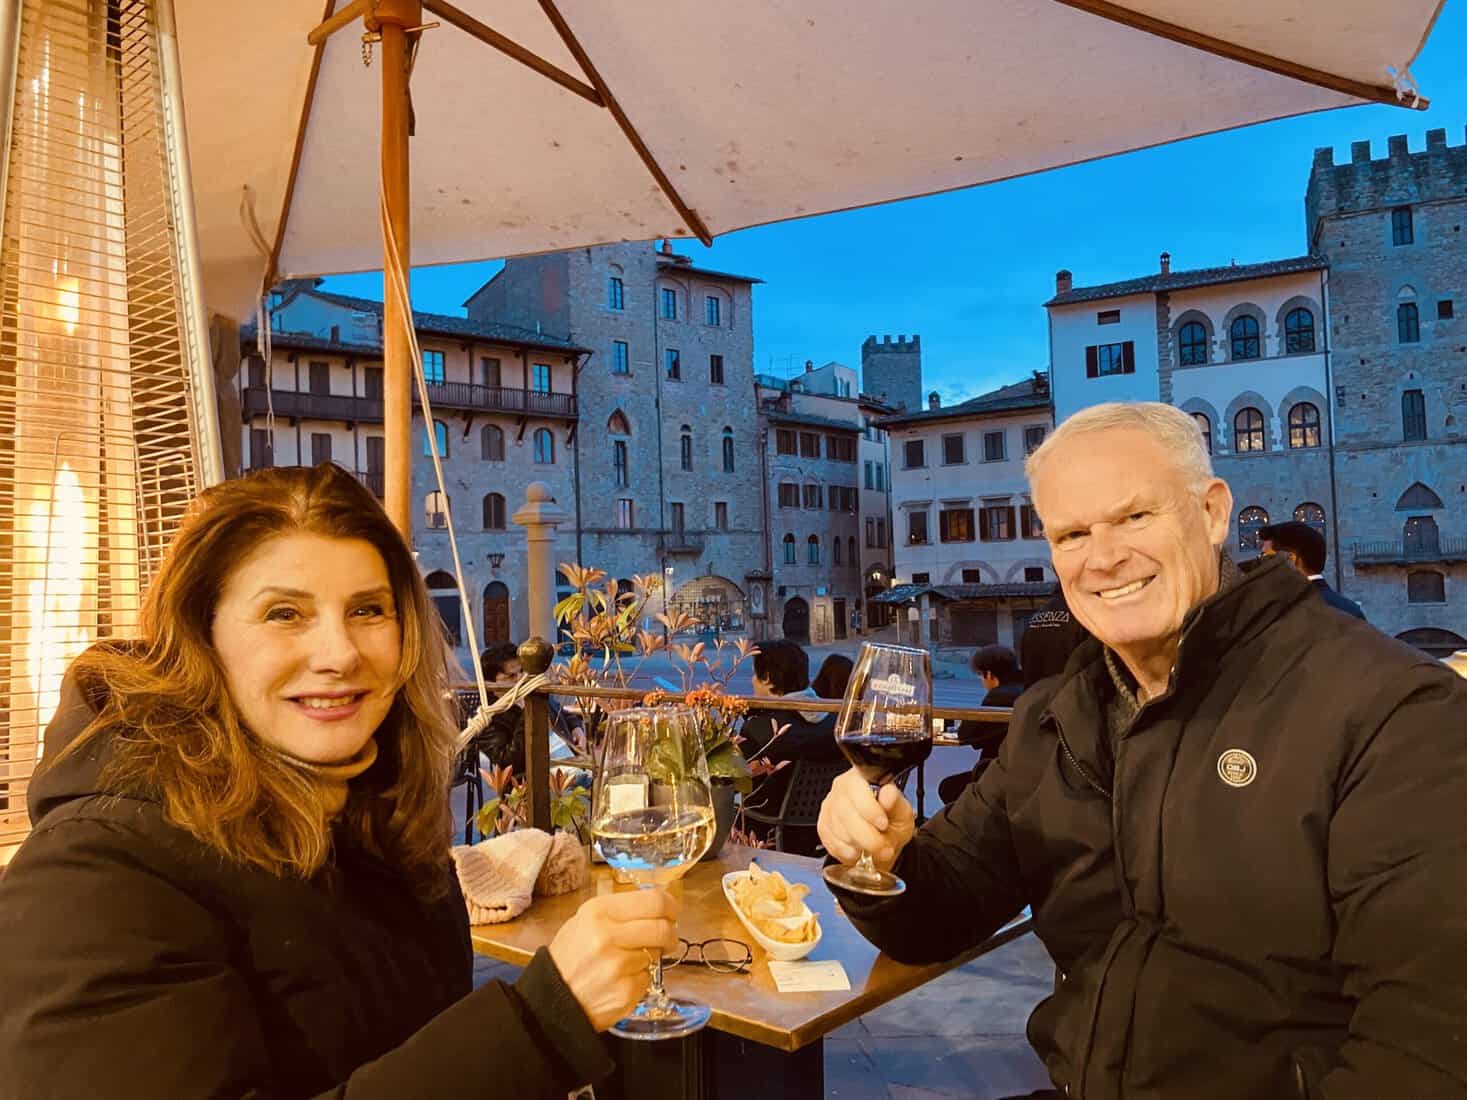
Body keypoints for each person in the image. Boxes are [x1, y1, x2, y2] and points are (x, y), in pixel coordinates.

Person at [817, 402, 1467, 1099]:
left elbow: (1423, 1049)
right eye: (1071, 534)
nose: (1102, 558)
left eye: (1134, 517)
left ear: (1212, 513)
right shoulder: (1056, 717)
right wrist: (881, 859)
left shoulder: (1391, 710)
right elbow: (939, 913)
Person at [0, 464, 678, 1100]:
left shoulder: (373, 817)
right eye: (284, 613)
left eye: (367, 610)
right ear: (203, 636)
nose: (340, 654)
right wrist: (541, 1025)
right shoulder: (94, 878)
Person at [739, 639, 843, 853]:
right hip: (822, 831)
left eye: (755, 674)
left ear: (767, 678)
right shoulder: (835, 722)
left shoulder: (760, 729)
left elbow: (731, 778)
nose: (752, 680)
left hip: (765, 830)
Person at [937, 645, 1025, 804]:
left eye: (980, 675)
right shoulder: (1027, 689)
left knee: (947, 788)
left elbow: (967, 734)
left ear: (989, 674)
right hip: (1022, 772)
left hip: (996, 773)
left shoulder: (998, 697)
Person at [1258, 519, 1366, 620]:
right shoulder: (1351, 610)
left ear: (1291, 559)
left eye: (1265, 557)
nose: (1260, 564)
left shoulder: (1280, 613)